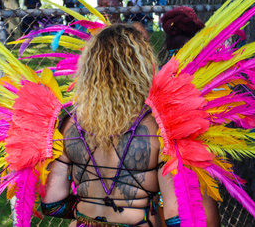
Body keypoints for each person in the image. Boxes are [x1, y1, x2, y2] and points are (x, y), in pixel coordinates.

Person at [42, 24, 220, 226]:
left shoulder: (67, 124)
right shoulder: (160, 126)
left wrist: (88, 213)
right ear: (141, 66)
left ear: (89, 69)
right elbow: (176, 213)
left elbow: (53, 203)